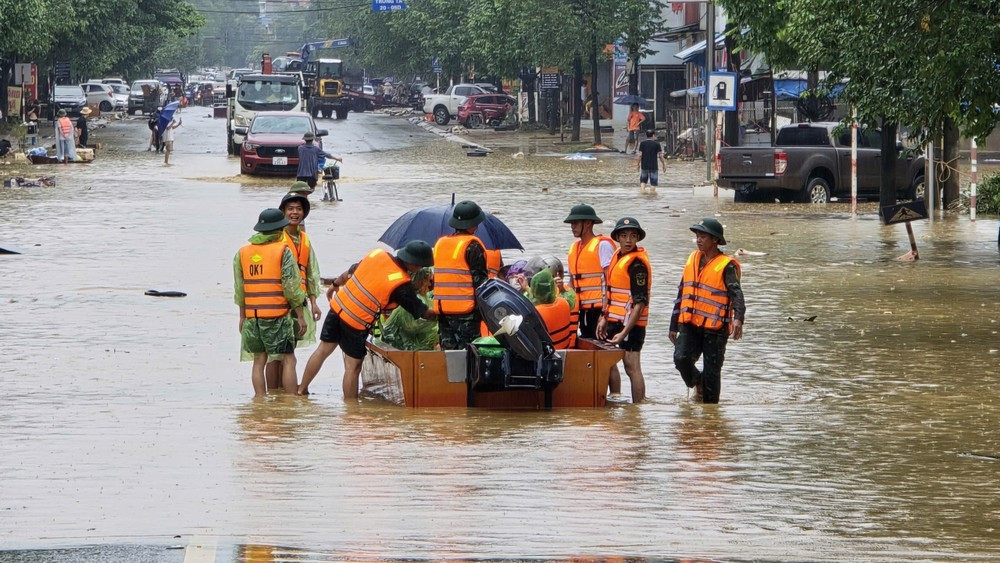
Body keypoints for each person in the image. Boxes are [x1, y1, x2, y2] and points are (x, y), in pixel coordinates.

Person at [298, 241, 437, 398]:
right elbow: (422, 311)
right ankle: (351, 410)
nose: (419, 269)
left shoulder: (377, 255)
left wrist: (335, 284)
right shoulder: (400, 283)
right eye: (420, 266)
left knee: (322, 350)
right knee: (353, 367)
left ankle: (301, 389)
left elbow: (352, 270)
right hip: (355, 322)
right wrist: (442, 313)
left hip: (338, 308)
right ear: (413, 264)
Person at [670, 218, 745, 404]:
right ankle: (698, 383)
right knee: (681, 359)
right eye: (697, 236)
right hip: (690, 324)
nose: (699, 240)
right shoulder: (692, 259)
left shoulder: (726, 265)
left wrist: (738, 319)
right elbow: (681, 292)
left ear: (715, 240)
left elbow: (737, 294)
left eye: (703, 236)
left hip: (715, 329)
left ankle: (711, 419)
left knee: (712, 373)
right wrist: (673, 324)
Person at [234, 209, 308, 397]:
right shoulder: (284, 251)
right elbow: (291, 287)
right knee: (289, 360)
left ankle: (259, 403)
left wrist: (242, 316)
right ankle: (291, 404)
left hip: (253, 318)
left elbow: (239, 290)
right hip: (277, 317)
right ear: (280, 229)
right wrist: (300, 316)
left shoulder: (242, 253)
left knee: (259, 361)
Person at [264, 192, 323, 391]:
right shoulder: (276, 238)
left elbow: (312, 273)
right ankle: (275, 394)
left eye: (299, 209)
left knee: (287, 351)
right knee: (276, 354)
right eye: (290, 209)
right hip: (278, 302)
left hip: (300, 304)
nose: (295, 213)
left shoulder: (305, 240)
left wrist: (314, 302)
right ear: (283, 212)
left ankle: (280, 395)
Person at [597, 217, 651, 404]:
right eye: (624, 235)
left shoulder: (637, 265)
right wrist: (604, 317)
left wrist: (624, 332)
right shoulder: (617, 256)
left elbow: (640, 303)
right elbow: (610, 293)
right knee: (608, 361)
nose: (628, 240)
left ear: (637, 239)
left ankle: (638, 409)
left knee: (632, 366)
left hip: (632, 324)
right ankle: (614, 400)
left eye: (633, 236)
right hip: (614, 319)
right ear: (618, 238)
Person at [433, 200, 490, 350]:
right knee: (469, 356)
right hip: (466, 313)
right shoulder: (472, 246)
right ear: (472, 224)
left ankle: (449, 375)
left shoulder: (440, 244)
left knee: (449, 355)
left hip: (443, 310)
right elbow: (481, 284)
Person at [565, 204, 616, 340]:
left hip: (599, 309)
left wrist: (605, 313)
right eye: (571, 223)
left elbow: (610, 281)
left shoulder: (602, 245)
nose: (572, 227)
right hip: (581, 310)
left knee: (604, 352)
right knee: (587, 349)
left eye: (575, 223)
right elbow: (571, 282)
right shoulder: (573, 248)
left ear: (588, 224)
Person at [380, 267, 439, 351]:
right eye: (428, 281)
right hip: (403, 350)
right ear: (420, 281)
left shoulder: (421, 299)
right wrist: (437, 317)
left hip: (418, 349)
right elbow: (414, 325)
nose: (430, 285)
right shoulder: (412, 301)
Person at [530, 269, 573, 350]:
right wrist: (562, 289)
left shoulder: (535, 313)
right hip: (564, 350)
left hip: (548, 357)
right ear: (553, 288)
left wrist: (526, 288)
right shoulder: (565, 303)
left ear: (534, 291)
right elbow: (570, 298)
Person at [637, 129, 666, 194]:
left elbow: (640, 155)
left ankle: (642, 192)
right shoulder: (657, 144)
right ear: (653, 135)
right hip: (653, 166)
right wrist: (664, 164)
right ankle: (652, 195)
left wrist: (638, 164)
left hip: (644, 165)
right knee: (653, 183)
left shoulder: (642, 143)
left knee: (643, 181)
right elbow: (661, 156)